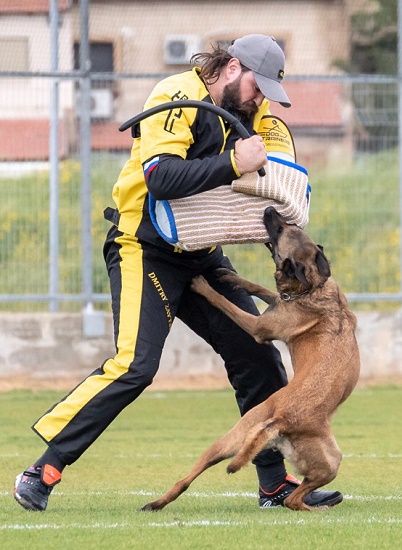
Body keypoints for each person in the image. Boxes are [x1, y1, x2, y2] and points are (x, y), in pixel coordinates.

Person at [14, 34, 343, 512]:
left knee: (258, 358)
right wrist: (234, 162)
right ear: (232, 68)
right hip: (143, 247)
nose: (260, 98)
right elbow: (161, 178)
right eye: (257, 85)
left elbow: (282, 177)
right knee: (135, 366)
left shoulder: (259, 115)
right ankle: (43, 470)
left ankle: (273, 484)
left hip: (201, 253)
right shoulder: (176, 95)